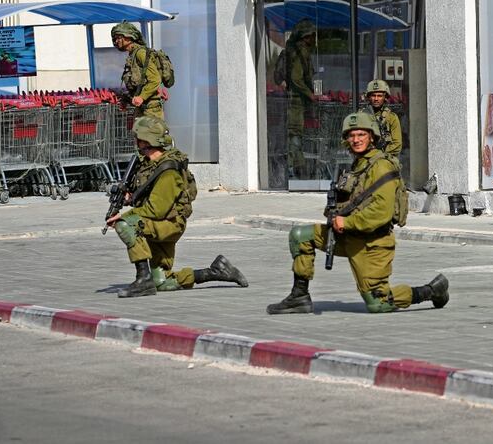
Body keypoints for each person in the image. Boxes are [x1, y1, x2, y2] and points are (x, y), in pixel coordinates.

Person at [266, 112, 448, 315]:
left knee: (378, 303)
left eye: (361, 134)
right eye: (351, 135)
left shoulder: (381, 165)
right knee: (300, 236)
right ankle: (299, 296)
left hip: (372, 243)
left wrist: (347, 221)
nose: (356, 140)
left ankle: (431, 291)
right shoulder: (358, 164)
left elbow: (381, 211)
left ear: (372, 136)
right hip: (347, 236)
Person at [105, 116, 248, 297]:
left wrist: (124, 216)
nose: (135, 142)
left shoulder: (168, 170)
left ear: (147, 140)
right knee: (162, 282)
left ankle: (142, 279)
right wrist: (129, 196)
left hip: (170, 223)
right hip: (160, 222)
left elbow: (156, 210)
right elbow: (144, 190)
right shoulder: (148, 164)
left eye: (138, 138)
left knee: (127, 224)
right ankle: (216, 271)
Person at [111, 22, 166, 119]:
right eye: (115, 38)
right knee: (139, 134)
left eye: (119, 37)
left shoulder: (140, 53)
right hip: (142, 108)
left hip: (151, 109)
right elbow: (137, 84)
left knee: (152, 134)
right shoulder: (132, 55)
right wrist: (126, 100)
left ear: (129, 37)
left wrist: (141, 97)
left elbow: (155, 79)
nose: (116, 41)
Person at [284, 20, 317, 179]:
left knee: (297, 135)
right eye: (312, 36)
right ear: (306, 37)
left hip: (299, 102)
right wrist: (309, 94)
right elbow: (296, 78)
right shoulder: (300, 53)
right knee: (295, 135)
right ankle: (295, 169)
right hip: (296, 102)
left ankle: (298, 167)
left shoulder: (301, 52)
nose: (314, 39)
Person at [361, 79, 402, 158]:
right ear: (368, 97)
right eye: (373, 95)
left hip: (385, 159)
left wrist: (380, 154)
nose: (376, 99)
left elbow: (397, 144)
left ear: (385, 97)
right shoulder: (361, 116)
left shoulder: (391, 118)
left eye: (379, 96)